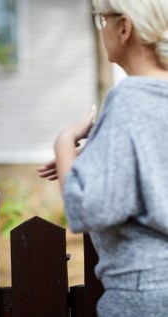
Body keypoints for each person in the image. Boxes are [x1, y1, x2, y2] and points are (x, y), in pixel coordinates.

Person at [38, 0, 168, 316]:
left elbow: (87, 210)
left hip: (145, 294)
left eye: (102, 20)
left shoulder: (129, 98)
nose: (102, 29)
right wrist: (98, 151)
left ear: (124, 27)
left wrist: (65, 143)